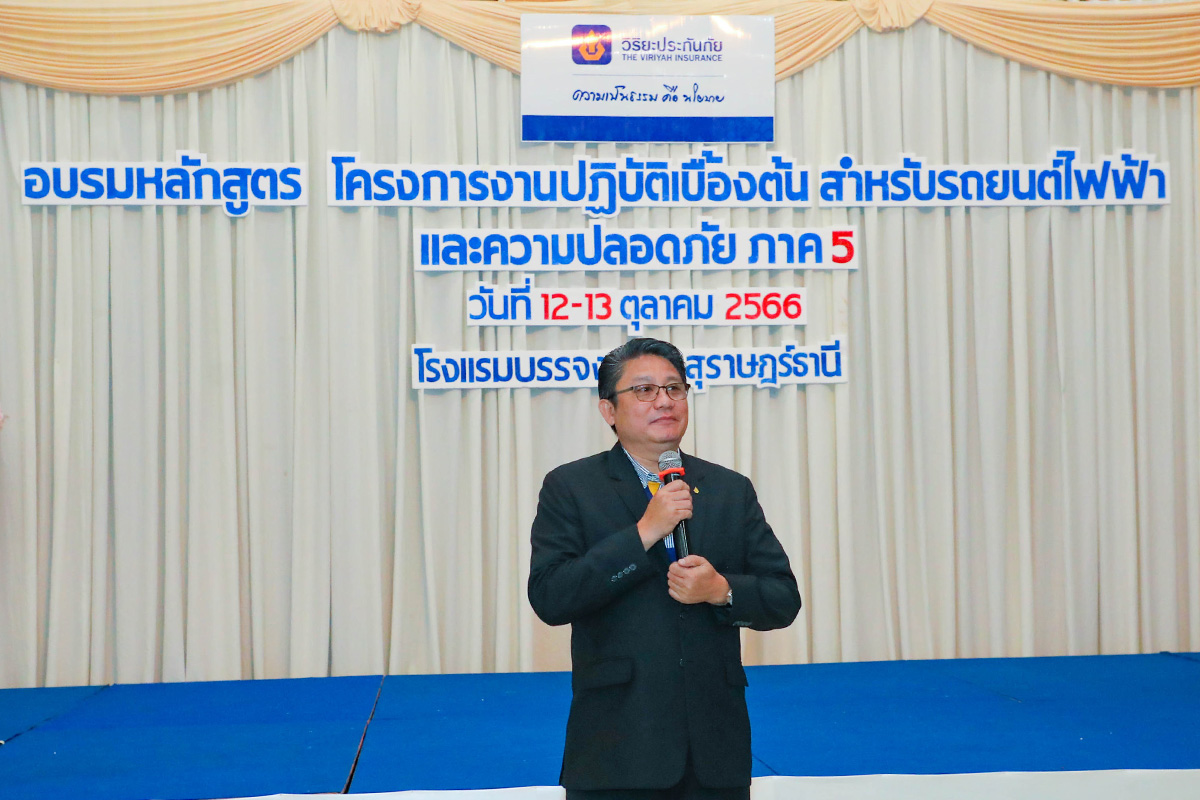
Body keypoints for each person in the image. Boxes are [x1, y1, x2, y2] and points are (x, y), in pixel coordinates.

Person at [528, 337, 801, 800]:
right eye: (644, 390)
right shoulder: (571, 487)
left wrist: (721, 590)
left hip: (714, 753)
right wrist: (643, 533)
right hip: (617, 748)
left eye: (675, 388)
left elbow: (783, 598)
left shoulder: (728, 489)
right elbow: (551, 597)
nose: (664, 401)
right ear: (609, 410)